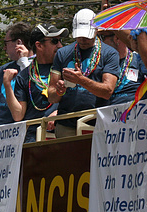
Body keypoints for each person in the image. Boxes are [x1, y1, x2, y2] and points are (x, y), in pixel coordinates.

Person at [49, 8, 120, 137]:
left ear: (96, 30)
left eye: (86, 36)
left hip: (97, 122)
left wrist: (81, 80)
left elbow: (107, 91)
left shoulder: (109, 53)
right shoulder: (62, 53)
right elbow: (51, 96)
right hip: (67, 122)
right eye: (79, 36)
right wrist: (59, 90)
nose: (82, 40)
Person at [3, 24, 66, 142]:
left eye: (60, 41)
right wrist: (7, 85)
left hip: (60, 134)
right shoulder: (25, 75)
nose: (60, 45)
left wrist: (59, 112)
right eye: (54, 41)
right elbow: (18, 115)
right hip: (33, 138)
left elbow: (78, 100)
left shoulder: (66, 69)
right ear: (39, 45)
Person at [99, 31, 147, 105]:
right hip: (106, 113)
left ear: (117, 38)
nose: (100, 43)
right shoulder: (98, 63)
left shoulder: (139, 61)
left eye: (102, 37)